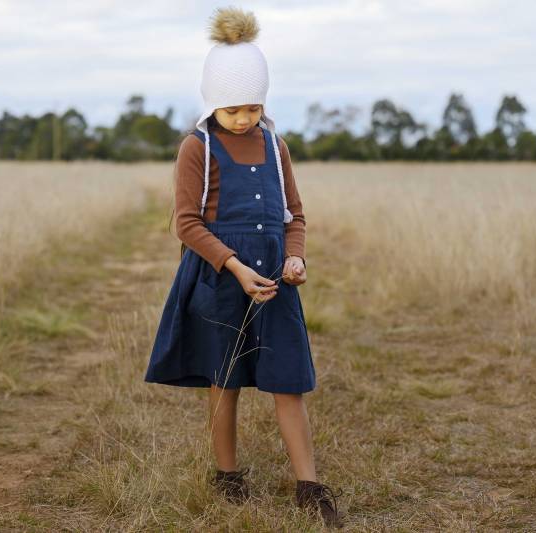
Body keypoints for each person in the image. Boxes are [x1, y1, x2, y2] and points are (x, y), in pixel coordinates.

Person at [144, 7, 344, 529]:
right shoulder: (197, 147)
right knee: (224, 378)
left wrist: (294, 256)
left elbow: (293, 215)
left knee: (288, 381)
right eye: (233, 109)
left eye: (253, 107)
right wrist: (232, 266)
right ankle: (227, 474)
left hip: (275, 283)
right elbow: (186, 223)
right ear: (212, 103)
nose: (243, 118)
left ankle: (309, 483)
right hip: (219, 279)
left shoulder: (276, 146)